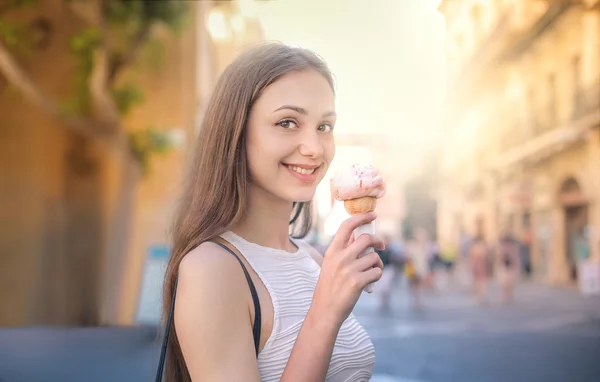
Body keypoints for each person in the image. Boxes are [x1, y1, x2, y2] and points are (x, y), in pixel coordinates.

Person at [161, 43, 384, 382]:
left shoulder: (312, 258)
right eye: (287, 122)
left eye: (324, 126)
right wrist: (325, 313)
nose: (313, 148)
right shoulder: (211, 268)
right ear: (236, 131)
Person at [496, 231, 520, 304]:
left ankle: (507, 295)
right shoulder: (506, 248)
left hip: (509, 267)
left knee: (508, 282)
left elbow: (515, 258)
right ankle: (507, 295)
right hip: (505, 267)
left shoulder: (510, 248)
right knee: (506, 282)